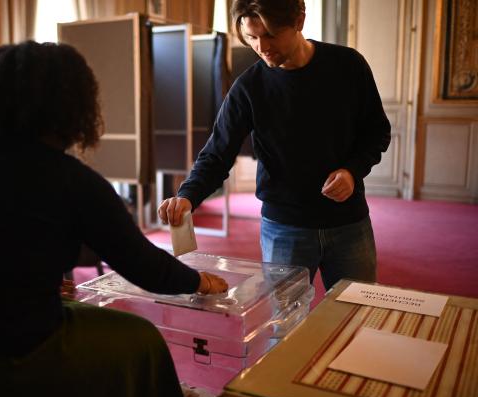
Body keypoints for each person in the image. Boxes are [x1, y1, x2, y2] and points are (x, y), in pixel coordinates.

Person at [0, 41, 228, 397]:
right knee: (140, 338)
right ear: (70, 108)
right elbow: (144, 266)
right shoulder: (68, 179)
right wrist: (198, 281)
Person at [159, 0, 391, 291]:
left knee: (356, 320)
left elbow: (377, 132)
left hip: (349, 223)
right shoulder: (248, 87)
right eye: (252, 37)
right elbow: (217, 154)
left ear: (299, 21)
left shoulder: (348, 65)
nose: (261, 46)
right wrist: (187, 196)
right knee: (282, 328)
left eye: (270, 35)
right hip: (284, 228)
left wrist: (352, 171)